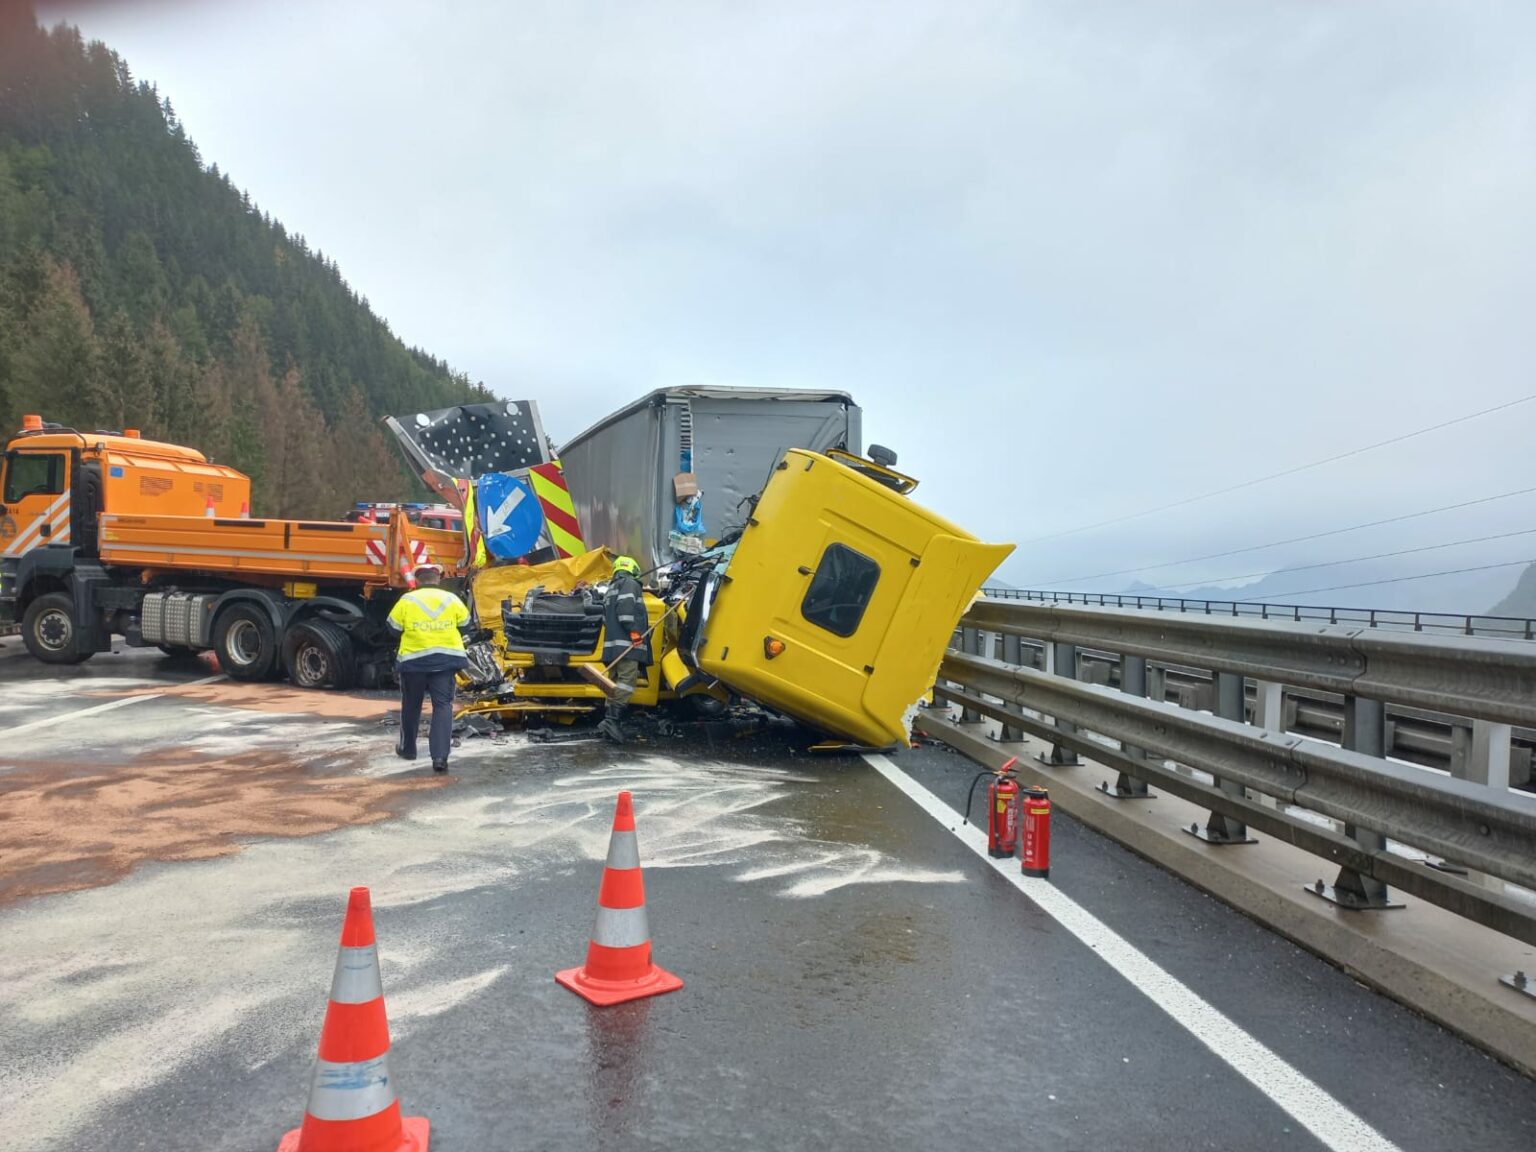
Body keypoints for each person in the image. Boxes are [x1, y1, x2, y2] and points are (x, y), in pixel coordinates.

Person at [387, 562, 470, 772]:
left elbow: (393, 628)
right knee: (443, 706)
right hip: (444, 661)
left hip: (414, 663)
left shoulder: (407, 600)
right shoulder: (451, 599)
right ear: (438, 579)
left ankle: (408, 749)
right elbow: (466, 624)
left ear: (417, 580)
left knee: (411, 705)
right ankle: (440, 758)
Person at [599, 554, 651, 744]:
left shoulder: (611, 588)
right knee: (627, 683)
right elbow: (626, 610)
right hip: (627, 644)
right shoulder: (630, 584)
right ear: (632, 569)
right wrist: (635, 632)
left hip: (612, 646)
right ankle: (612, 721)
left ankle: (608, 722)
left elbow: (606, 618)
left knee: (614, 684)